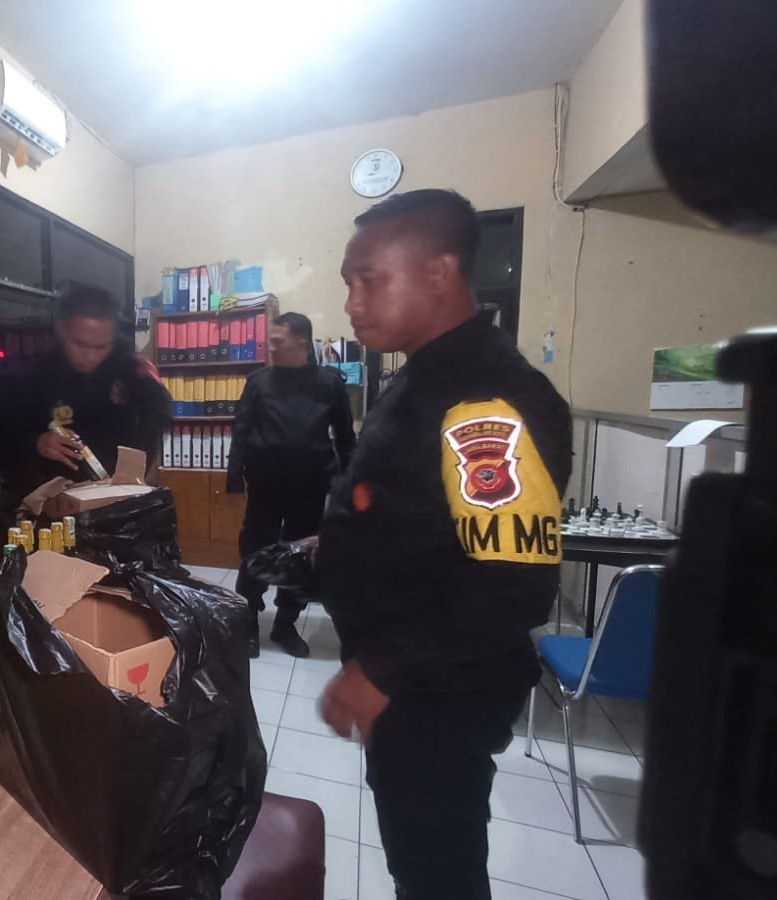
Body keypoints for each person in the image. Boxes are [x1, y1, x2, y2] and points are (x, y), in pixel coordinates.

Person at [313, 190, 571, 899]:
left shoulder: (485, 399)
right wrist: (325, 547)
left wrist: (380, 671)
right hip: (413, 675)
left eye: (369, 280)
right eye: (348, 282)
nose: (352, 303)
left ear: (439, 272)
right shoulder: (423, 377)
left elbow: (511, 584)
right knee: (418, 859)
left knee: (437, 873)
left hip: (437, 687)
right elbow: (411, 508)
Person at [226, 312, 355, 658]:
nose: (270, 347)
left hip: (310, 485)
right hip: (265, 484)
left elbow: (345, 438)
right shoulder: (259, 382)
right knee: (255, 552)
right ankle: (249, 623)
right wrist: (234, 479)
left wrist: (349, 487)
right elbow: (241, 431)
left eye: (277, 341)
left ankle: (285, 624)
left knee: (300, 558)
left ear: (302, 342)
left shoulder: (329, 383)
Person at [0, 286, 171, 500]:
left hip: (116, 490)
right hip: (54, 495)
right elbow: (2, 439)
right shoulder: (34, 374)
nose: (90, 356)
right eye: (80, 344)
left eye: (100, 347)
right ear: (61, 329)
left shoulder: (129, 366)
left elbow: (158, 411)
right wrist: (37, 443)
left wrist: (133, 469)